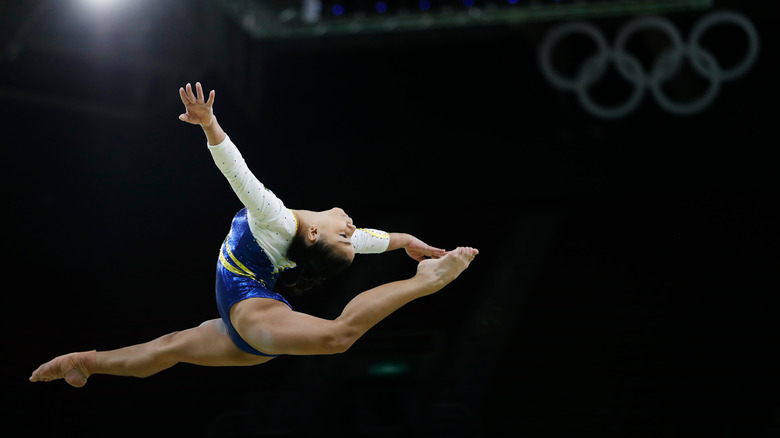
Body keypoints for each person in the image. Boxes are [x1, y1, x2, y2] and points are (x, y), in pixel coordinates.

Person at [29, 82, 479, 388]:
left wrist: (209, 124)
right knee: (165, 350)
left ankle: (427, 283)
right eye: (350, 238)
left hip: (250, 316)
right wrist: (402, 240)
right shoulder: (312, 237)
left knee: (338, 336)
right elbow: (367, 239)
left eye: (345, 237)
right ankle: (84, 363)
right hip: (242, 328)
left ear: (317, 234)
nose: (351, 231)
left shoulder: (278, 220)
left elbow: (237, 172)